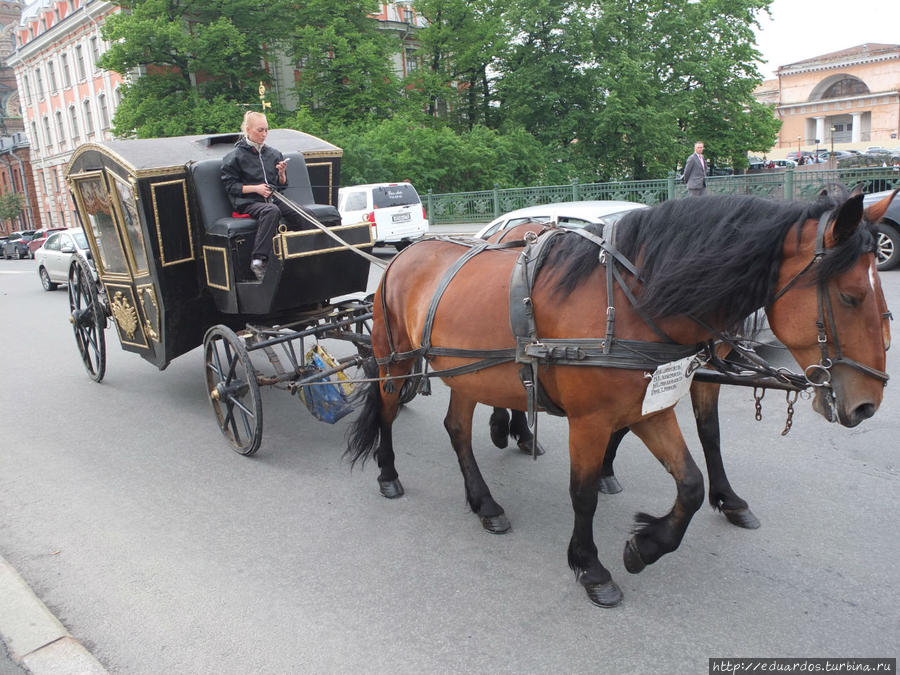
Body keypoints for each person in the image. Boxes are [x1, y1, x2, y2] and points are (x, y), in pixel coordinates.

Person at [221, 111, 307, 281]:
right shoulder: (234, 157)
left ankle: (307, 252)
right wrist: (256, 189)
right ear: (248, 129)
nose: (264, 134)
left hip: (272, 198)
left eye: (266, 130)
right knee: (271, 211)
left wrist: (282, 173)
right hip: (248, 202)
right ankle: (259, 260)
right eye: (260, 130)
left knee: (303, 212)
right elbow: (231, 187)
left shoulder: (274, 154)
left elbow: (281, 185)